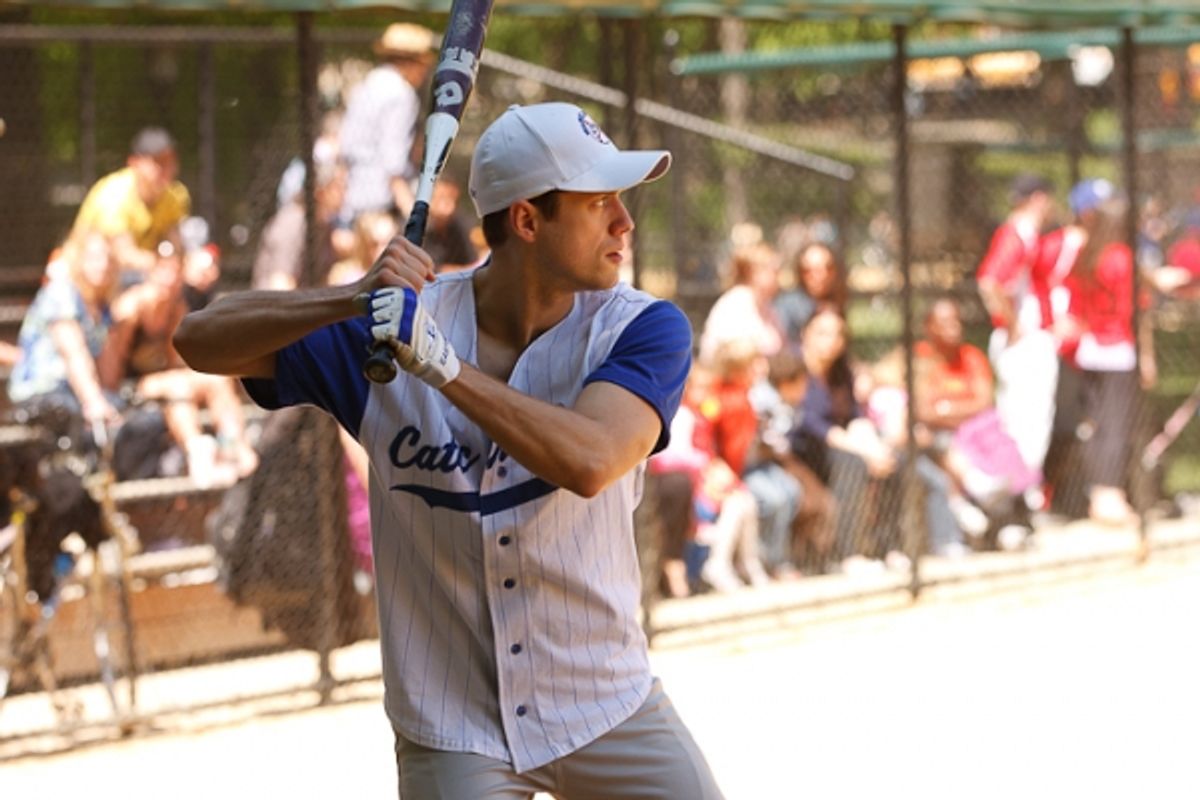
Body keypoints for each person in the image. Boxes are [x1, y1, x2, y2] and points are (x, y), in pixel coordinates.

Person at [174, 102, 723, 798]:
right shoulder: (392, 326)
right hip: (452, 723)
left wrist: (443, 369)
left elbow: (591, 460)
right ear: (527, 221)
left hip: (604, 701)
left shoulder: (643, 328)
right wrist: (348, 298)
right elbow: (199, 338)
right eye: (598, 203)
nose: (625, 222)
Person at [103, 244, 258, 486]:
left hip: (165, 381)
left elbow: (176, 360)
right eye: (163, 269)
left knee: (216, 380)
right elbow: (111, 364)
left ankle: (233, 447)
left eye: (175, 270)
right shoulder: (131, 309)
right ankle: (198, 452)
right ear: (152, 271)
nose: (169, 277)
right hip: (129, 388)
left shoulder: (176, 309)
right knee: (178, 389)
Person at [1064, 194, 1156, 525]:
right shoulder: (1122, 258)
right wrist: (1147, 356)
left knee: (1096, 424)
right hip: (1118, 349)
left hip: (1091, 348)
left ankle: (1099, 494)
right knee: (1116, 425)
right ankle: (1110, 497)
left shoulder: (1088, 255)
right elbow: (1137, 313)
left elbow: (1074, 299)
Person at [976, 172, 1060, 491]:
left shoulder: (1025, 233)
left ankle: (1017, 493)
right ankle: (1018, 494)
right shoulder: (1019, 232)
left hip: (1027, 339)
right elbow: (989, 282)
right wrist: (1014, 326)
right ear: (1038, 198)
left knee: (1023, 420)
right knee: (1028, 423)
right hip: (1024, 344)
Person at [9, 230, 122, 425]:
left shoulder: (103, 307)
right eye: (94, 258)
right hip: (43, 392)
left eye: (109, 259)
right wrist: (93, 402)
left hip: (75, 394)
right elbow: (73, 355)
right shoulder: (62, 293)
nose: (103, 265)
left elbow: (108, 373)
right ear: (78, 260)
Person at [339, 22, 435, 223]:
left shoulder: (367, 85)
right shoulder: (400, 93)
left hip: (354, 199)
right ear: (411, 62)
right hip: (381, 204)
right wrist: (414, 213)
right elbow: (393, 158)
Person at [70, 127, 190, 278]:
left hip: (139, 273)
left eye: (170, 160)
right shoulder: (114, 193)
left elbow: (177, 245)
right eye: (158, 161)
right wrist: (166, 266)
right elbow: (124, 256)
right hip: (87, 277)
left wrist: (186, 264)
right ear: (134, 163)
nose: (166, 168)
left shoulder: (175, 195)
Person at [251, 161, 348, 291]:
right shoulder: (292, 223)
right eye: (339, 187)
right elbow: (279, 284)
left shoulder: (324, 225)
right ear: (320, 192)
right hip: (275, 306)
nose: (345, 193)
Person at [697, 241, 784, 368]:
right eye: (774, 271)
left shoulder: (766, 306)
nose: (778, 277)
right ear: (752, 271)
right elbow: (734, 360)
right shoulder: (735, 305)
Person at [773, 241, 848, 345]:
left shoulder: (836, 302)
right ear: (800, 272)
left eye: (828, 268)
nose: (821, 275)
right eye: (810, 271)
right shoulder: (787, 307)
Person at [423, 178, 482, 274]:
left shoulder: (462, 227)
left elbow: (475, 265)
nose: (444, 204)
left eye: (449, 198)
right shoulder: (425, 230)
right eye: (439, 198)